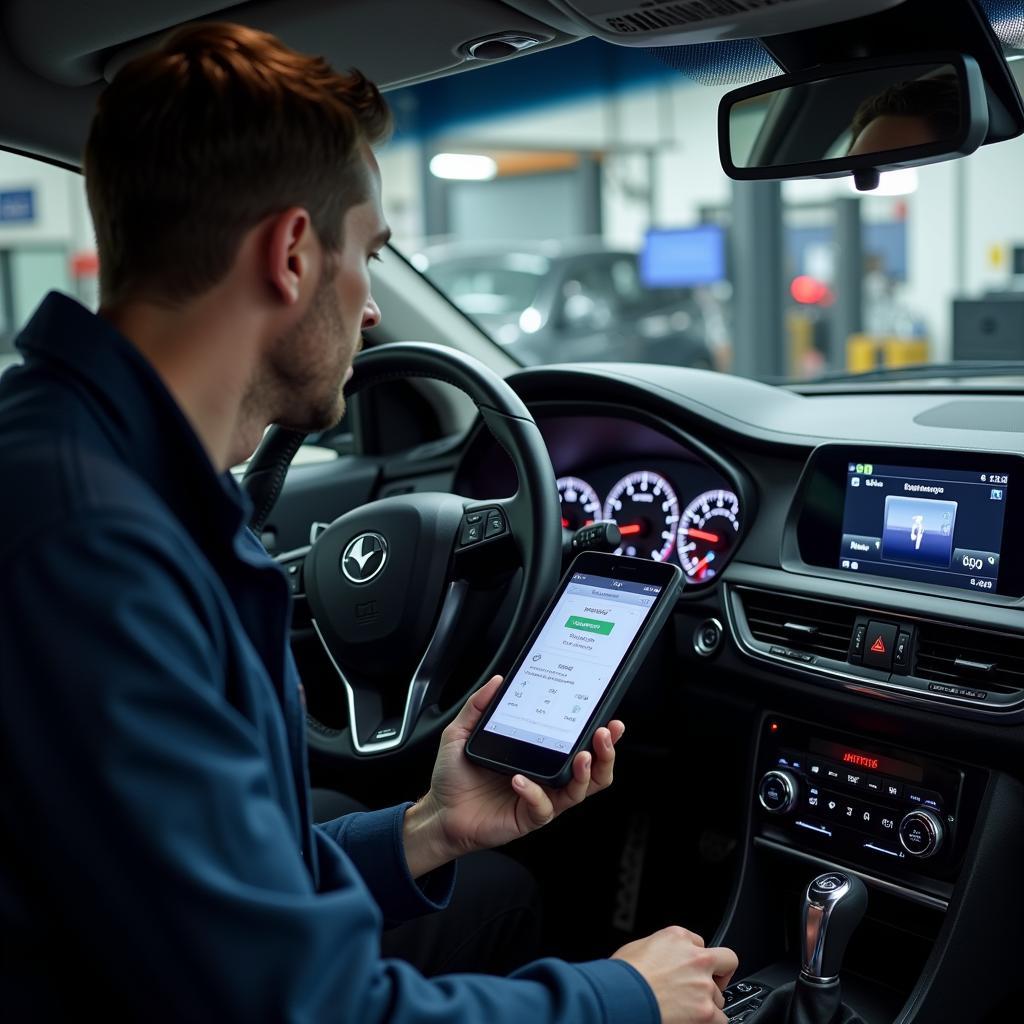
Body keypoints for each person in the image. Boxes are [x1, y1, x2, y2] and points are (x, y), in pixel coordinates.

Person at [0, 21, 738, 1023]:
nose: (376, 313)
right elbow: (296, 1005)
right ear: (293, 253)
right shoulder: (98, 548)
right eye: (370, 258)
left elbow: (220, 879)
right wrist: (622, 1000)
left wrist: (430, 825)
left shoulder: (84, 460)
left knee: (489, 889)